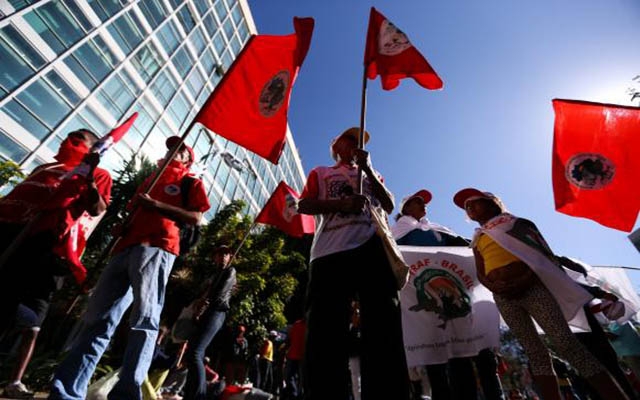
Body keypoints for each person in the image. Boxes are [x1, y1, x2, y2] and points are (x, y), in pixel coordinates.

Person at [50, 136, 210, 400]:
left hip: (158, 247)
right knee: (98, 319)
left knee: (144, 319)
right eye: (170, 147)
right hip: (124, 247)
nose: (172, 151)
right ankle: (66, 390)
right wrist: (122, 227)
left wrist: (156, 206)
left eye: (179, 149)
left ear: (187, 160)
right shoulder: (150, 181)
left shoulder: (190, 182)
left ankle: (127, 393)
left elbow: (196, 218)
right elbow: (134, 211)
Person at [453, 187, 628, 400]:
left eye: (474, 202)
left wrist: (524, 279)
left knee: (566, 343)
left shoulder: (518, 224)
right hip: (504, 297)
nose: (469, 207)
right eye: (466, 207)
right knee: (534, 352)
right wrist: (496, 288)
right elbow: (481, 272)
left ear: (491, 202)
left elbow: (540, 255)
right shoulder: (478, 239)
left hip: (533, 288)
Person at [298, 127, 411, 400]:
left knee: (384, 323)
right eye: (350, 141)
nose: (355, 146)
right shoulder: (321, 172)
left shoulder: (371, 174)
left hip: (372, 248)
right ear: (337, 146)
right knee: (326, 328)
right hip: (330, 252)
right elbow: (305, 205)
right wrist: (342, 204)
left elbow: (388, 204)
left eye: (358, 143)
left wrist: (369, 170)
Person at [0, 129, 112, 398]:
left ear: (94, 148)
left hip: (54, 249)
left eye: (78, 140)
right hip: (17, 239)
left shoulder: (99, 174)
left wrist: (89, 180)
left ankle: (15, 382)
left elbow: (98, 209)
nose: (69, 142)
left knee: (34, 320)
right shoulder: (48, 167)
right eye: (69, 138)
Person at [393, 189, 504, 400]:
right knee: (437, 353)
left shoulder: (436, 229)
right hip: (422, 297)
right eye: (418, 201)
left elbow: (463, 246)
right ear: (406, 208)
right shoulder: (396, 232)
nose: (424, 204)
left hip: (455, 288)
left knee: (472, 351)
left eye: (424, 202)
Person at [184, 244, 237, 400]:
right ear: (214, 257)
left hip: (216, 312)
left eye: (226, 254)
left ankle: (199, 395)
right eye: (219, 254)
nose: (223, 257)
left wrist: (205, 302)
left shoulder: (230, 271)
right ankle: (190, 393)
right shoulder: (213, 274)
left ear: (230, 257)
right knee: (191, 353)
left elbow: (219, 295)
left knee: (196, 353)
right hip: (204, 313)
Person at [283, 318, 305, 400]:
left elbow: (289, 339)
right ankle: (295, 395)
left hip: (295, 357)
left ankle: (295, 395)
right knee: (294, 378)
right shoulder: (298, 324)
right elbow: (289, 339)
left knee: (291, 377)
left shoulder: (297, 324)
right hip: (297, 356)